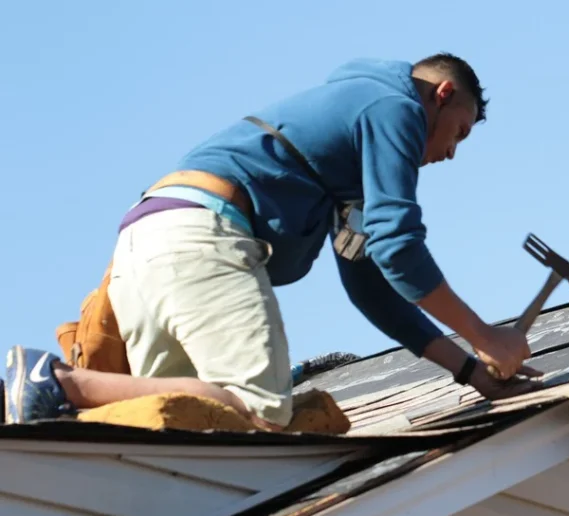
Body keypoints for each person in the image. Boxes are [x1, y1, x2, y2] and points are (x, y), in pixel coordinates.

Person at [4, 53, 541, 427]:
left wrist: (470, 371)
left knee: (189, 432)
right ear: (441, 96)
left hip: (150, 236)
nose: (450, 152)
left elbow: (373, 289)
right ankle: (56, 382)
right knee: (261, 407)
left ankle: (66, 400)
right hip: (204, 235)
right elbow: (398, 245)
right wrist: (485, 336)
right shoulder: (394, 108)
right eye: (459, 132)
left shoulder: (347, 157)